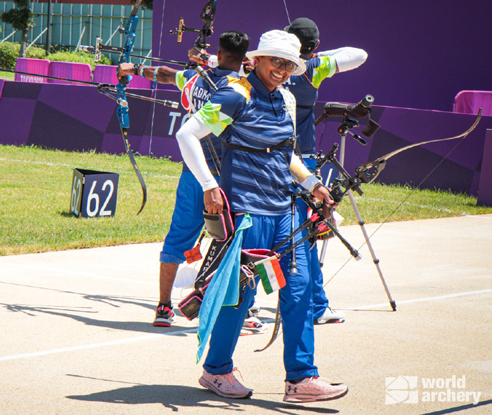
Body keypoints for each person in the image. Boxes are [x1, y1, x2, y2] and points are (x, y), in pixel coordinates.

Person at [175, 30, 348, 403]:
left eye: (289, 65)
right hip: (247, 212)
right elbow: (187, 134)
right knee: (240, 294)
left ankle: (301, 379)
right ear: (258, 60)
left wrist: (314, 183)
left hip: (284, 209)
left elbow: (286, 154)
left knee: (298, 291)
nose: (283, 70)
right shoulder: (237, 93)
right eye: (277, 62)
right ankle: (216, 370)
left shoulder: (286, 98)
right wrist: (207, 185)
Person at [118, 31, 265, 331]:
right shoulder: (242, 88)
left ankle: (163, 307)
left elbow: (163, 73)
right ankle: (244, 310)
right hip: (229, 177)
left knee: (178, 237)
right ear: (244, 57)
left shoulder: (196, 78)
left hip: (194, 173)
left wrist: (131, 69)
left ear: (220, 54)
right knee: (238, 241)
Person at [284, 17, 368, 324]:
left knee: (265, 231)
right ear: (316, 46)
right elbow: (359, 54)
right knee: (305, 235)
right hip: (301, 164)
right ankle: (316, 307)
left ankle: (248, 308)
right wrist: (312, 58)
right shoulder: (314, 68)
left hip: (270, 159)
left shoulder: (269, 67)